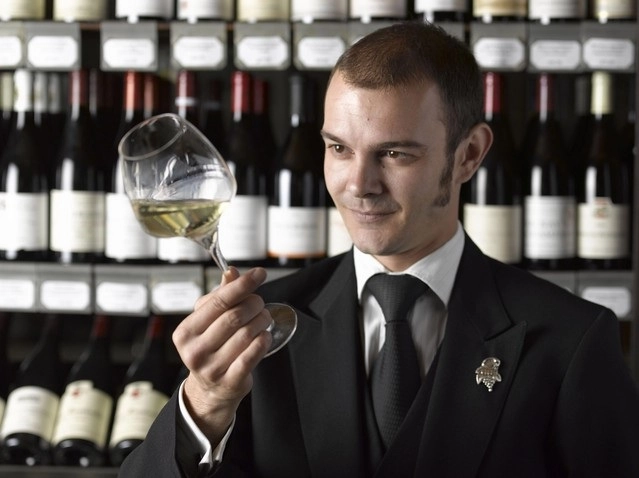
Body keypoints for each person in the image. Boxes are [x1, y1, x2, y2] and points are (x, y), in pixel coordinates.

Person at [119, 21, 639, 478]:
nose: (358, 185)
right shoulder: (260, 336)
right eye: (339, 148)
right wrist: (205, 406)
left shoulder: (572, 340)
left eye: (393, 153)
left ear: (468, 155)